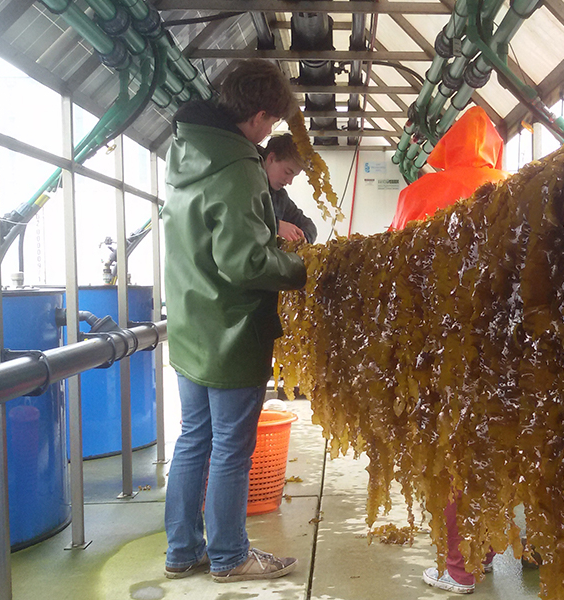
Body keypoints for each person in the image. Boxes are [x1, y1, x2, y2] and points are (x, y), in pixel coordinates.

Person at [161, 59, 307, 584]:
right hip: (231, 331)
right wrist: (301, 267)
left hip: (189, 326)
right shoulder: (239, 164)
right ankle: (228, 556)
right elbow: (245, 261)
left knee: (193, 440)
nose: (271, 134)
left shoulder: (185, 154)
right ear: (259, 113)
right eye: (272, 123)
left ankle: (182, 550)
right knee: (230, 449)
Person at [392, 106, 509, 594]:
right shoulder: (512, 190)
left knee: (449, 453)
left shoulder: (419, 194)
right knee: (492, 449)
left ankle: (457, 567)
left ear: (449, 147)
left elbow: (395, 272)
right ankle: (486, 551)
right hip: (502, 345)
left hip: (437, 347)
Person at [261, 134, 318, 243]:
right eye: (287, 172)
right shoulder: (247, 184)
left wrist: (302, 240)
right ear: (271, 158)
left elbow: (308, 225)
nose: (289, 181)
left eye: (294, 176)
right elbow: (239, 219)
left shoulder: (280, 197)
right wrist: (276, 226)